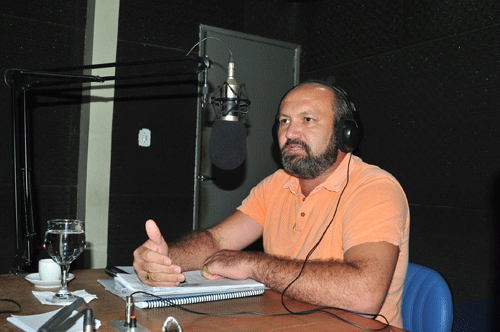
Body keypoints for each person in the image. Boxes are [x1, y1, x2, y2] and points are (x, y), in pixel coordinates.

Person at [133, 81, 410, 328]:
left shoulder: (375, 188)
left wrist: (254, 264)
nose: (290, 132)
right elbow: (217, 240)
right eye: (284, 121)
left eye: (308, 119)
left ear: (345, 134)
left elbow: (364, 294)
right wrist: (166, 259)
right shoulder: (277, 184)